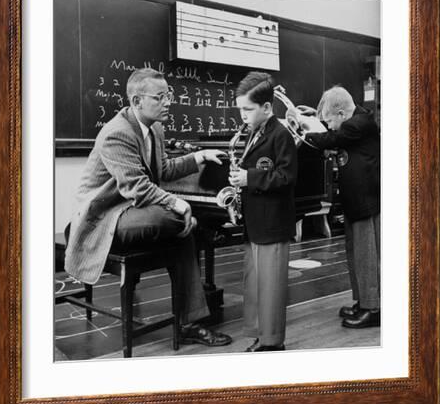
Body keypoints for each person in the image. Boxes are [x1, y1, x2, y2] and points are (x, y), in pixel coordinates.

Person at [65, 68, 232, 347]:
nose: (168, 102)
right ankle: (188, 320)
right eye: (160, 97)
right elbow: (138, 187)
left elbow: (164, 170)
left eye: (168, 95)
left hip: (131, 209)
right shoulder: (115, 133)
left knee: (182, 227)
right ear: (136, 101)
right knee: (177, 218)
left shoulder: (155, 127)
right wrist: (178, 203)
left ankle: (188, 323)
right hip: (104, 217)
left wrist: (200, 156)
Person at [229, 72, 298, 352]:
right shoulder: (253, 132)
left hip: (273, 222)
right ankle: (260, 334)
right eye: (240, 110)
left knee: (270, 285)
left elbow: (286, 177)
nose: (243, 115)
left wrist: (249, 179)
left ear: (267, 108)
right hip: (256, 220)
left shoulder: (281, 135)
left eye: (248, 109)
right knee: (256, 282)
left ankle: (272, 342)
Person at [304, 86, 380, 328]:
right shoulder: (353, 121)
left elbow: (331, 139)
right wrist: (310, 118)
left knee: (366, 256)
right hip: (354, 201)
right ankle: (362, 301)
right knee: (354, 254)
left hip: (365, 202)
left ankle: (374, 307)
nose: (329, 126)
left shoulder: (357, 123)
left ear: (341, 113)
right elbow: (332, 133)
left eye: (329, 121)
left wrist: (303, 132)